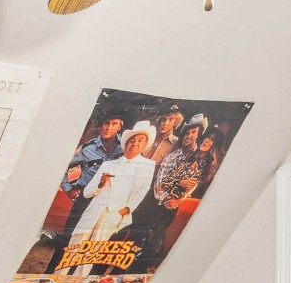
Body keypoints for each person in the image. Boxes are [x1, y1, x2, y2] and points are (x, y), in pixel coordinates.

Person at [56, 122, 156, 274]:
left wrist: (125, 210)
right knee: (73, 246)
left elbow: (142, 191)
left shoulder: (148, 165)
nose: (134, 143)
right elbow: (87, 193)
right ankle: (57, 280)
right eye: (132, 140)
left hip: (113, 215)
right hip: (94, 210)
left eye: (140, 140)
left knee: (92, 252)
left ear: (145, 145)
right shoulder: (109, 164)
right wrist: (101, 184)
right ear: (126, 143)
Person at [129, 117, 211, 263]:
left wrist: (178, 199)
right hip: (158, 202)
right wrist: (168, 198)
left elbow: (192, 185)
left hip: (176, 205)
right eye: (186, 133)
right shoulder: (172, 157)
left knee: (159, 237)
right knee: (143, 234)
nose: (189, 136)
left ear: (198, 135)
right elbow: (159, 185)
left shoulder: (200, 158)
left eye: (193, 132)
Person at [53, 114, 124, 242]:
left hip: (107, 201)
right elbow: (62, 167)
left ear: (120, 127)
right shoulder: (88, 148)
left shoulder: (124, 148)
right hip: (85, 198)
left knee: (96, 241)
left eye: (114, 124)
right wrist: (68, 188)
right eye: (106, 123)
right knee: (69, 238)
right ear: (101, 126)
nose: (108, 127)